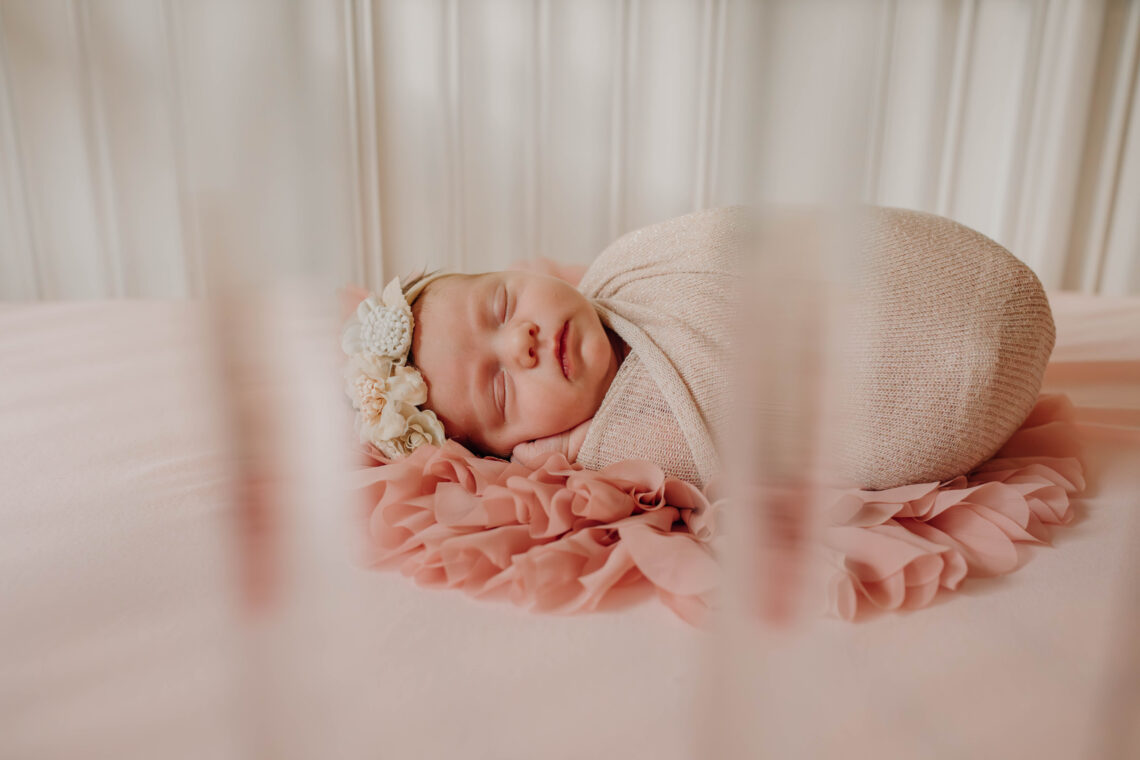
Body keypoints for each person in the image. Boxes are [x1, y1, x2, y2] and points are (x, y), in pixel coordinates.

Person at [341, 207, 746, 486]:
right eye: (500, 388)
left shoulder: (621, 266)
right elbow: (719, 449)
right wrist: (573, 447)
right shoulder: (614, 443)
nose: (521, 342)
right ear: (517, 448)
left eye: (502, 306)